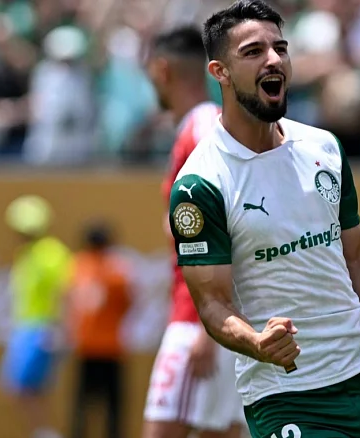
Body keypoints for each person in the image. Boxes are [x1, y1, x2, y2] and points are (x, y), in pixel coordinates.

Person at [167, 1, 360, 437]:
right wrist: (258, 343)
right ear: (219, 72)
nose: (273, 60)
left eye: (280, 48)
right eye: (253, 51)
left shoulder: (324, 148)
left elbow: (357, 255)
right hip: (290, 396)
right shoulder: (200, 184)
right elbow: (212, 304)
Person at [142, 24, 243, 438]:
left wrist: (208, 324)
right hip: (216, 317)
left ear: (162, 69)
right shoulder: (202, 125)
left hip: (196, 318)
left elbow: (228, 214)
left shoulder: (201, 126)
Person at [0, 195, 72, 438]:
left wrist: (59, 327)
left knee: (26, 388)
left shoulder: (52, 252)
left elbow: (65, 291)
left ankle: (46, 433)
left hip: (42, 329)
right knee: (24, 388)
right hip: (25, 328)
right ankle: (43, 432)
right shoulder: (26, 253)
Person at [67, 222, 131, 438]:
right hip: (110, 346)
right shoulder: (116, 270)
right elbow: (126, 303)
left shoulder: (78, 266)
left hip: (86, 345)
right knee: (113, 407)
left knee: (82, 406)